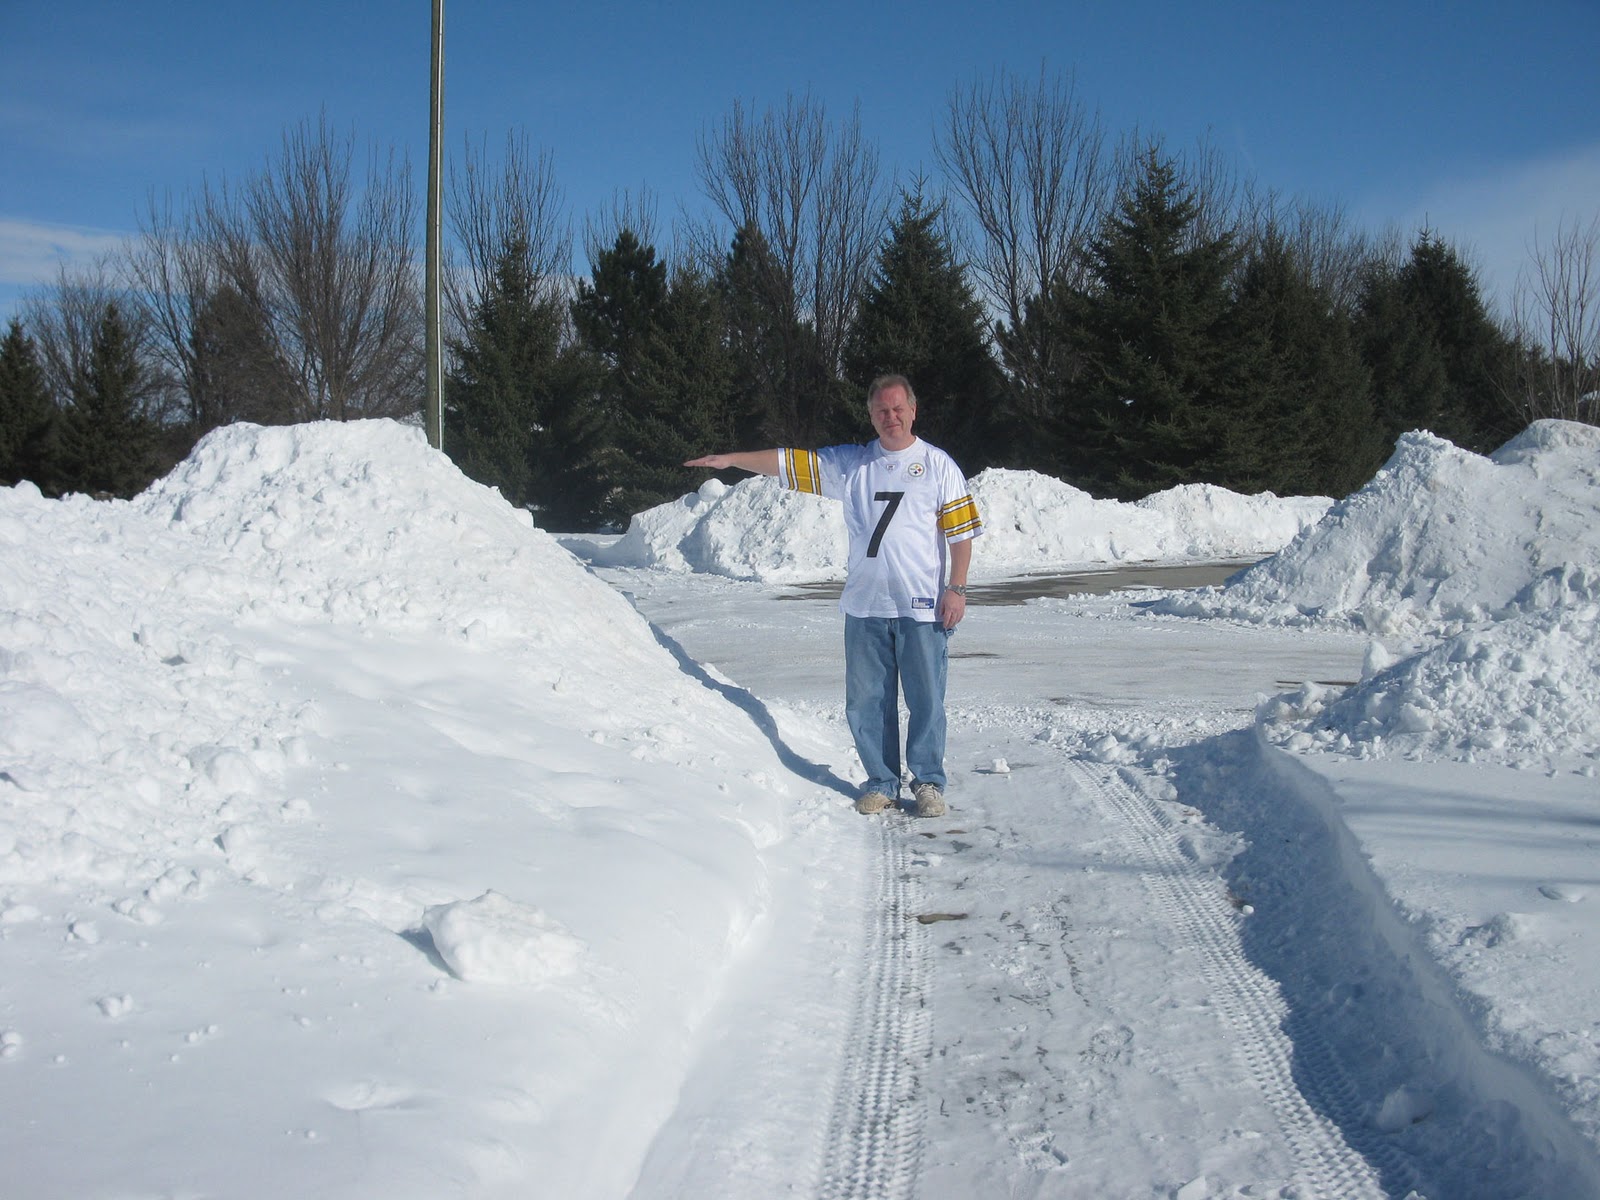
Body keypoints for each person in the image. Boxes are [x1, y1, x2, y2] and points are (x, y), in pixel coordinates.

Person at [685, 374, 982, 818]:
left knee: (926, 701)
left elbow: (961, 536)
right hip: (865, 607)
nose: (891, 417)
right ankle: (881, 782)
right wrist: (731, 459)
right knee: (866, 702)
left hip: (922, 608)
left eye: (898, 408)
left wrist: (956, 589)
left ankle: (927, 783)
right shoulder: (852, 465)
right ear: (870, 415)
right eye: (881, 410)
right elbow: (789, 463)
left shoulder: (939, 466)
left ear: (914, 410)